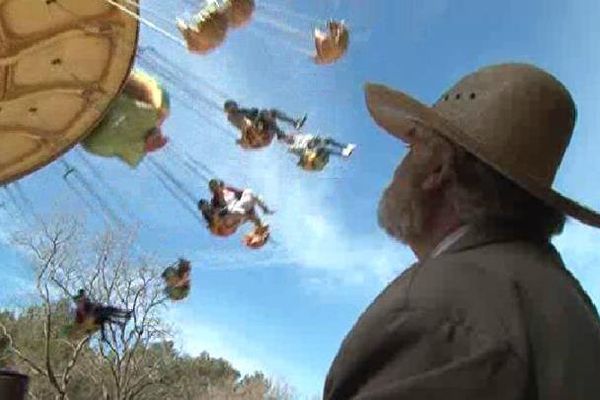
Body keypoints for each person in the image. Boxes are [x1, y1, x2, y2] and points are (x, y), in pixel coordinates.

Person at [323, 64, 600, 399]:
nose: (398, 166)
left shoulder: (437, 307)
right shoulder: (571, 310)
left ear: (437, 170)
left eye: (411, 149)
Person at [224, 100, 307, 147]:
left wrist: (253, 112)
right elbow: (244, 124)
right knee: (264, 112)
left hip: (262, 128)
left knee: (272, 112)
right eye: (232, 105)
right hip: (254, 131)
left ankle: (295, 123)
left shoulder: (241, 110)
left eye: (234, 104)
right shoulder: (232, 117)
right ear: (229, 108)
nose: (235, 106)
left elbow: (252, 113)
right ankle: (281, 135)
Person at [280, 132, 356, 170]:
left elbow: (309, 138)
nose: (289, 138)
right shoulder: (292, 148)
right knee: (325, 149)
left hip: (313, 148)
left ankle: (346, 146)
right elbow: (300, 152)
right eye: (287, 139)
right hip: (311, 157)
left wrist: (315, 139)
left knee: (328, 140)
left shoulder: (298, 137)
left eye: (289, 136)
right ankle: (343, 153)